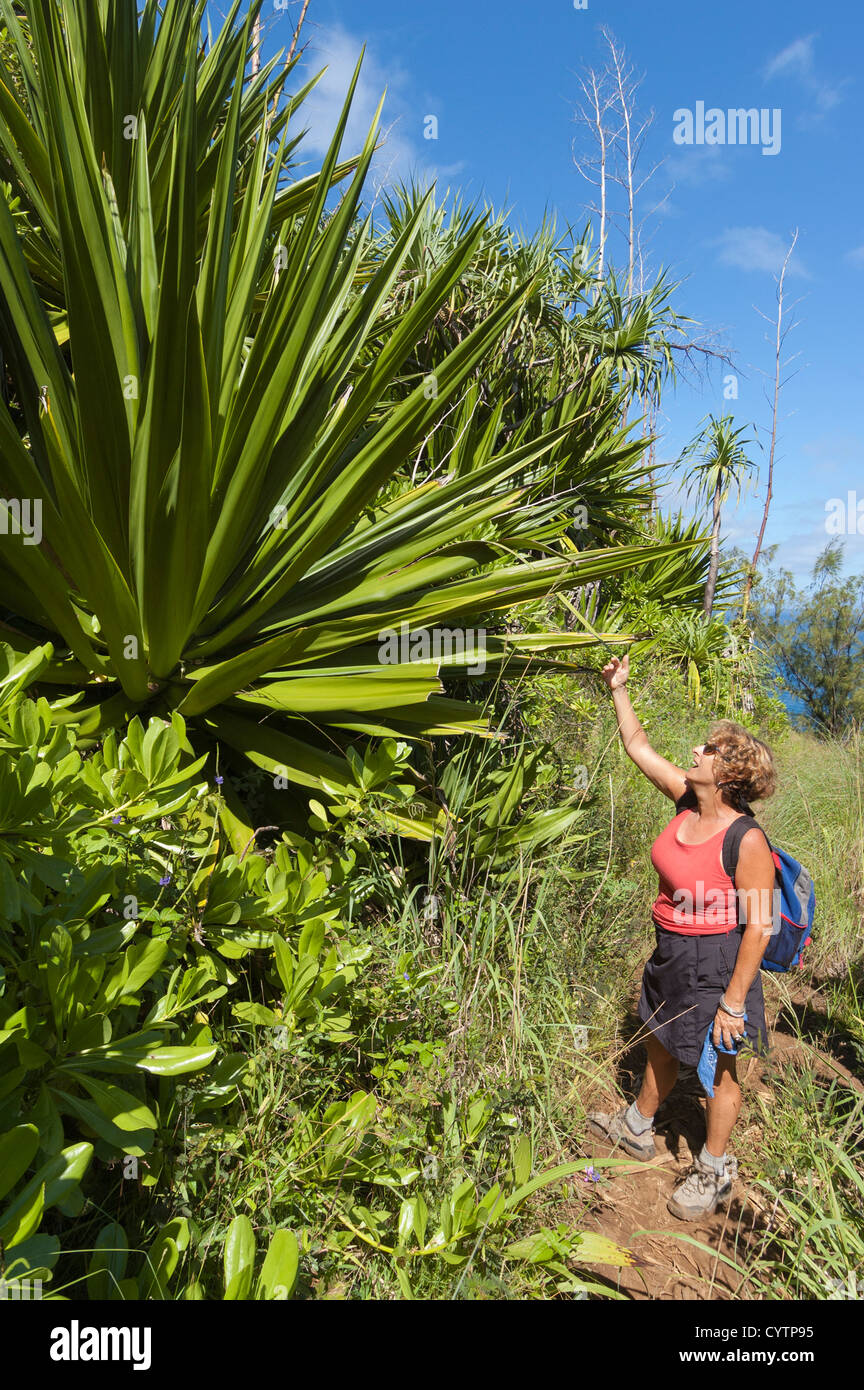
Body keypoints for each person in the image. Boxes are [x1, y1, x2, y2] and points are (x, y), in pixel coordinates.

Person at [586, 653, 777, 1221]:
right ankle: (639, 1125)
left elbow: (760, 924)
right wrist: (619, 689)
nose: (695, 752)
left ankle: (715, 1168)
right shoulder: (687, 800)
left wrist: (734, 1002)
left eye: (708, 750)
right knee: (661, 1040)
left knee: (716, 1068)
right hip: (671, 947)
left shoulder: (745, 840)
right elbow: (639, 748)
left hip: (716, 961)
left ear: (728, 775)